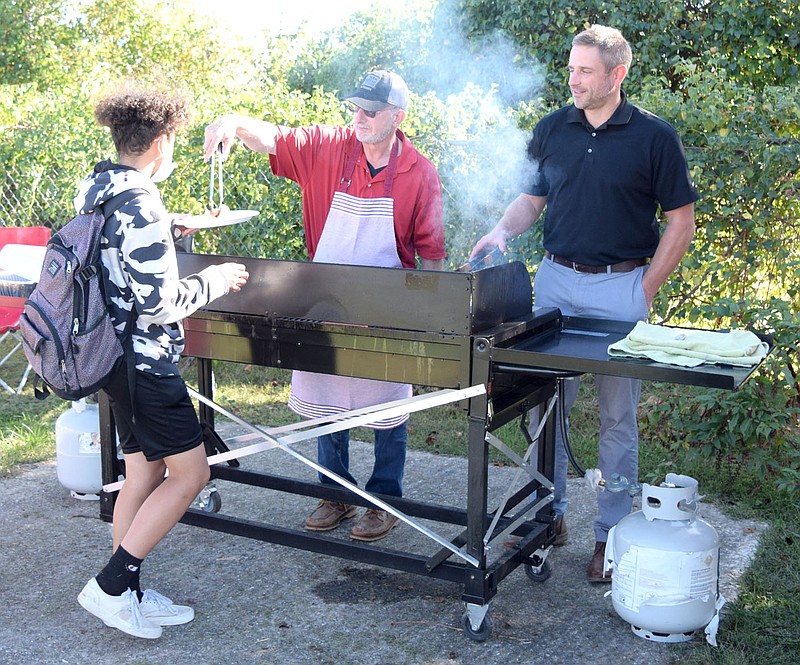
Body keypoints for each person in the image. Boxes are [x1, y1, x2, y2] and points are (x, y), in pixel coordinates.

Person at [470, 25, 698, 582]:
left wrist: (640, 292)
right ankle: (550, 513)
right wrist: (502, 228)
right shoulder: (553, 129)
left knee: (618, 418)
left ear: (617, 75)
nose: (573, 79)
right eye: (570, 69)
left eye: (585, 71)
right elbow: (532, 199)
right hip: (553, 285)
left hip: (619, 288)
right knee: (544, 406)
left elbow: (681, 223)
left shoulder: (654, 138)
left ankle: (611, 535)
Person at [204, 70, 445, 543]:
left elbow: (431, 254)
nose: (358, 118)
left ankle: (384, 499)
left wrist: (429, 318)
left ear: (398, 117)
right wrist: (231, 121)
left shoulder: (420, 173)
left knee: (386, 402)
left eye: (370, 111)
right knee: (329, 398)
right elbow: (272, 138)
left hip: (386, 307)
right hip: (326, 302)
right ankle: (333, 492)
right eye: (354, 107)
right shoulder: (329, 146)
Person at [76, 82, 250, 638]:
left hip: (111, 359)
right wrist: (216, 279)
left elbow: (114, 256)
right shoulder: (142, 201)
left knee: (145, 469)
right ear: (160, 142)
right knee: (191, 472)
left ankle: (127, 592)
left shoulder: (99, 186)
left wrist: (175, 230)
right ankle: (109, 586)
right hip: (146, 363)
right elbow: (160, 302)